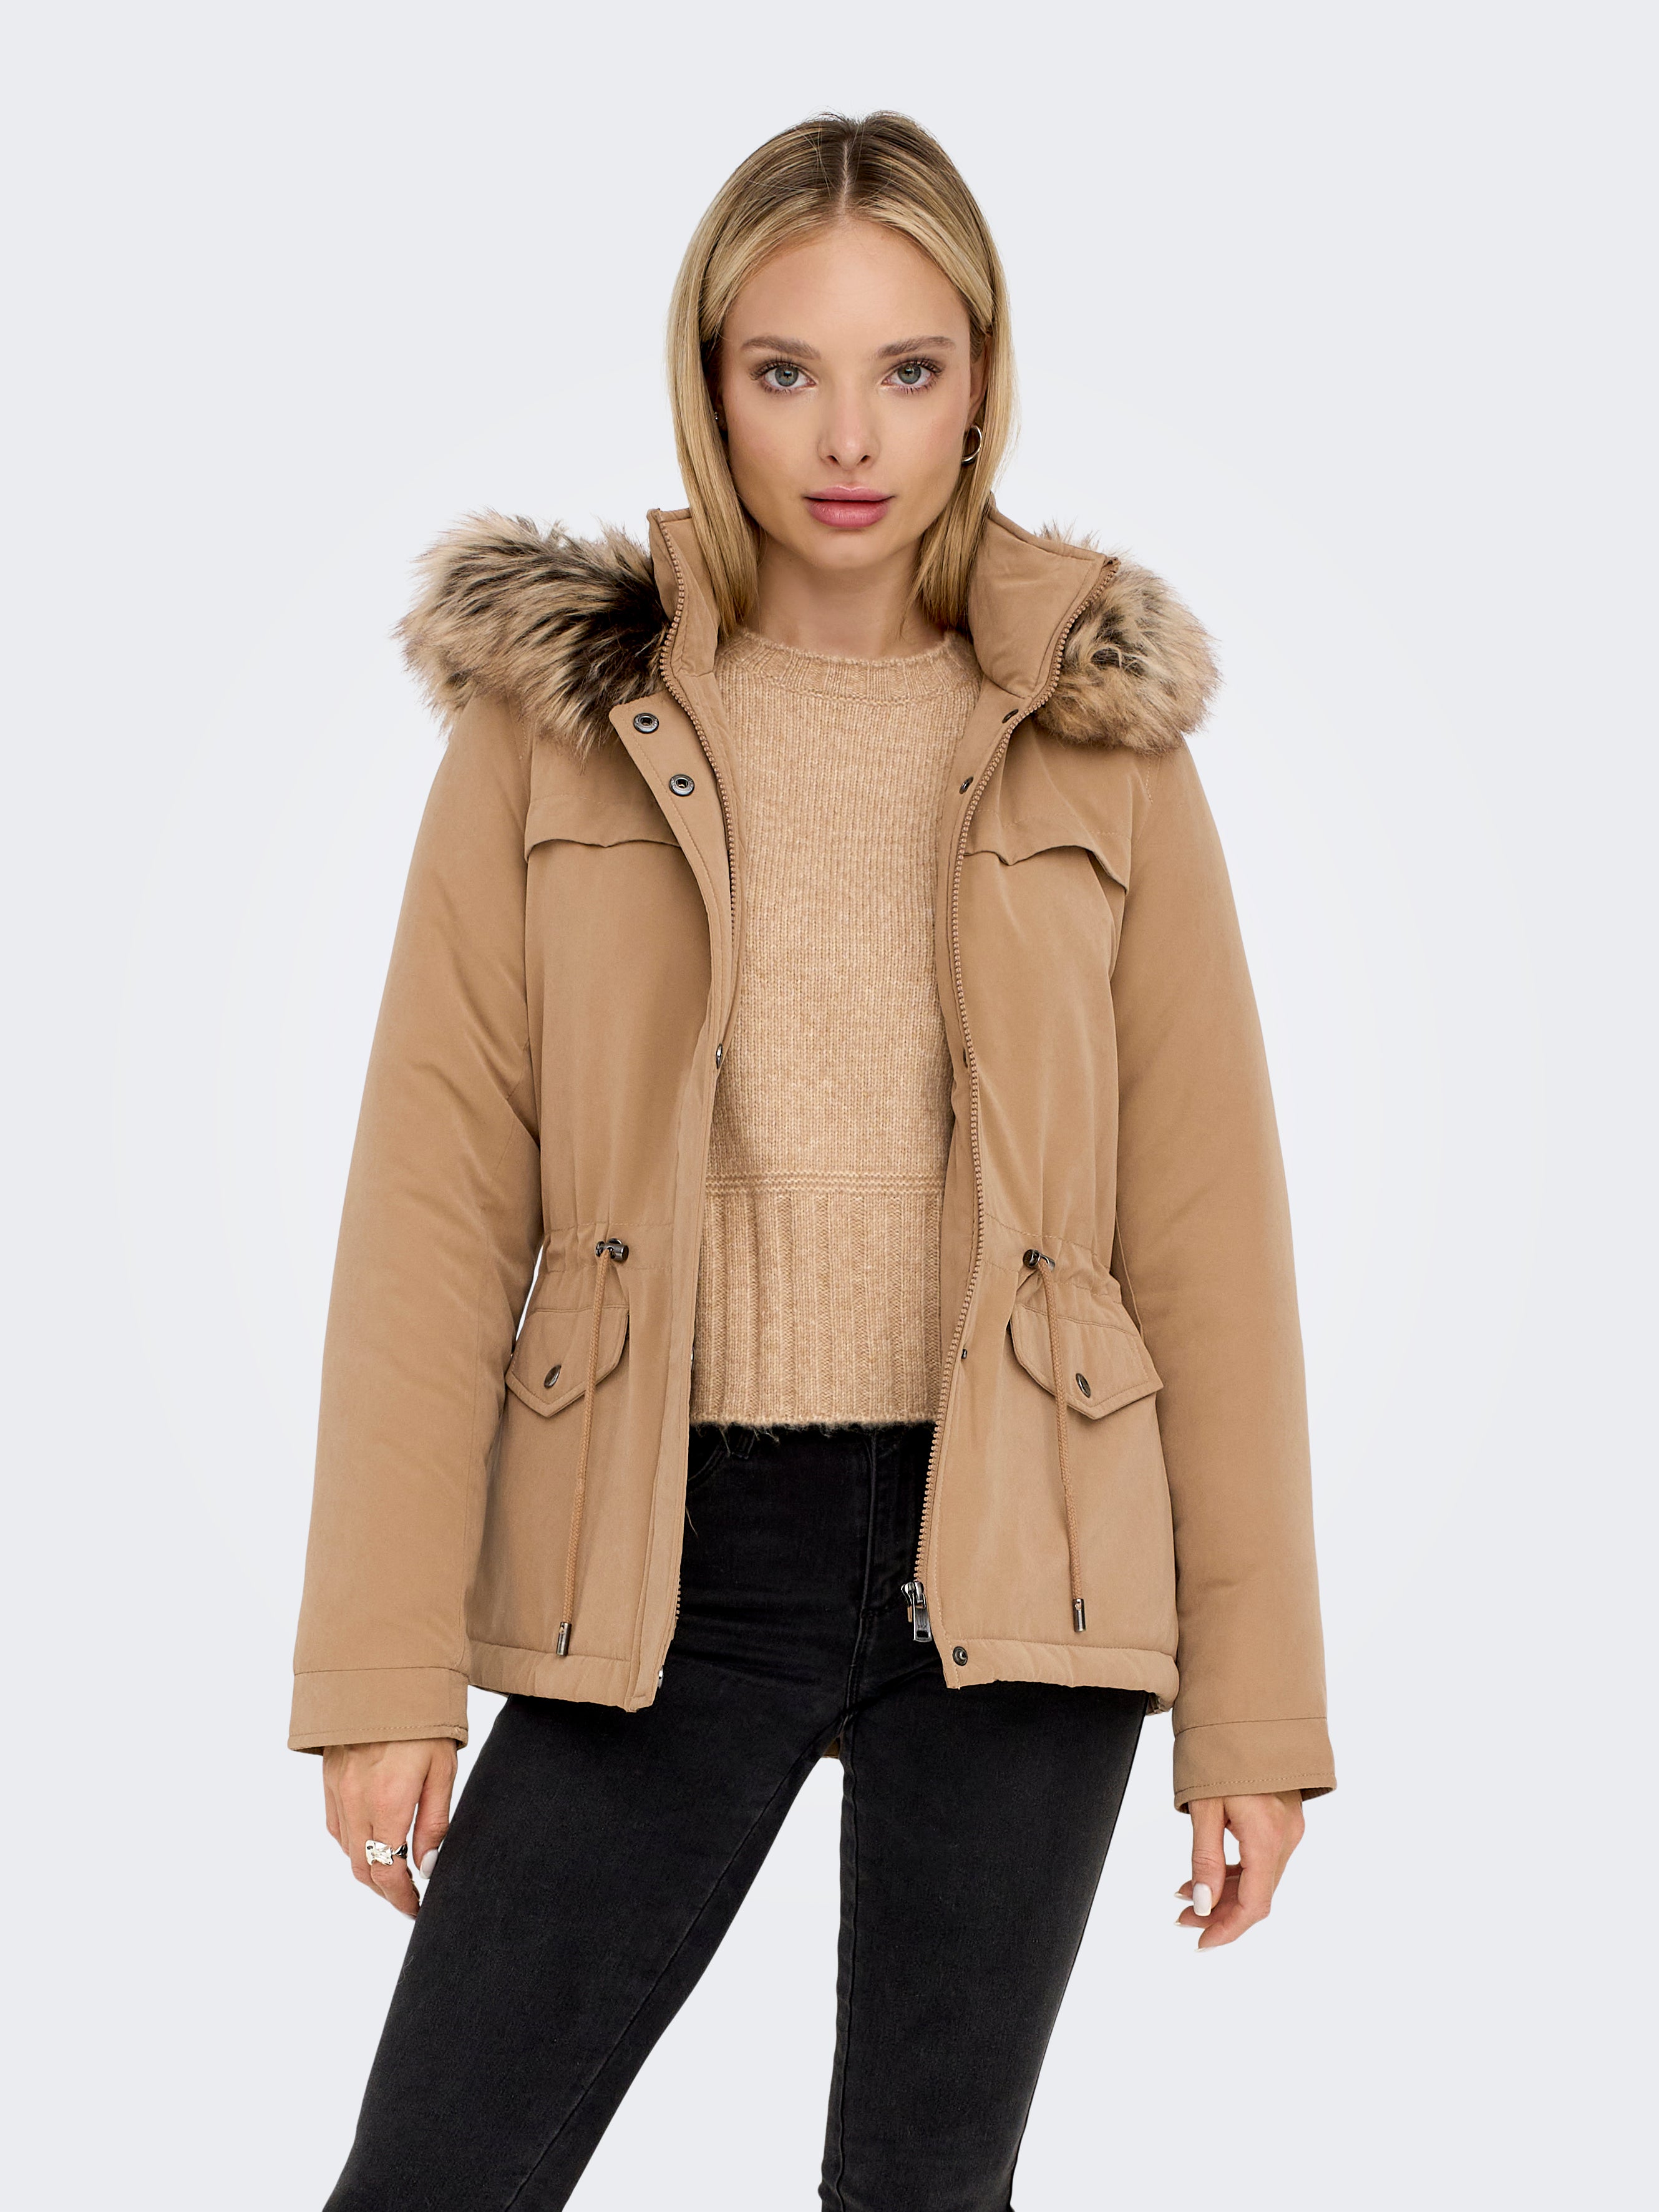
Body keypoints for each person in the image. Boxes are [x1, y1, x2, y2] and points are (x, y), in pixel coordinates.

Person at [292, 109, 1336, 2211]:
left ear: (980, 380)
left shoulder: (1097, 731)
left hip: (1023, 1548)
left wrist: (1254, 1710)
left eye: (906, 369)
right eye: (786, 370)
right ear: (709, 378)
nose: (849, 437)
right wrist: (383, 1667)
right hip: (659, 1544)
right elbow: (430, 1200)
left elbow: (1206, 1233)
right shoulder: (553, 717)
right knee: (435, 2173)